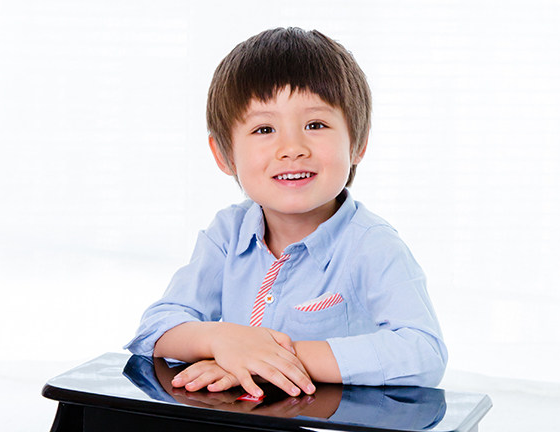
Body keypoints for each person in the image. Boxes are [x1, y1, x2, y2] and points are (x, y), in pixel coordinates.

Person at [126, 27, 447, 399]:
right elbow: (156, 328)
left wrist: (275, 358)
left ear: (358, 143)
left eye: (315, 125)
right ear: (224, 155)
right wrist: (223, 341)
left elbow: (424, 351)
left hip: (329, 428)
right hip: (244, 423)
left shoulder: (372, 245)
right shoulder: (227, 233)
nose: (292, 148)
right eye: (264, 129)